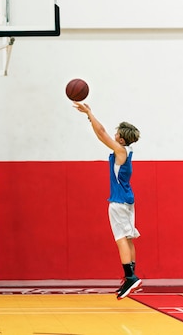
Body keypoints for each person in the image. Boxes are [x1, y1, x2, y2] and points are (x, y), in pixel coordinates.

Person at [73, 101, 142, 300]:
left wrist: (89, 113)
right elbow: (101, 135)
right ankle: (131, 276)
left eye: (117, 132)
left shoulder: (121, 151)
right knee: (128, 238)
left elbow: (101, 132)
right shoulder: (126, 152)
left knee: (121, 238)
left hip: (119, 202)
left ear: (121, 137)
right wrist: (89, 117)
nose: (114, 134)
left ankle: (130, 277)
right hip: (127, 200)